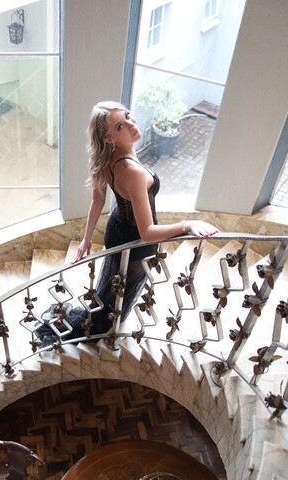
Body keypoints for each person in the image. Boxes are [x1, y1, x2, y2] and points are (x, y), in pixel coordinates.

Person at [37, 101, 219, 347]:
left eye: (128, 116)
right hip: (135, 240)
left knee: (114, 282)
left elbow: (98, 201)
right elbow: (148, 232)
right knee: (123, 287)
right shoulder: (133, 172)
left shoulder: (105, 158)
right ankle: (103, 324)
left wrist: (87, 239)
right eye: (120, 126)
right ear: (109, 138)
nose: (132, 125)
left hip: (116, 228)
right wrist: (187, 224)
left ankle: (101, 315)